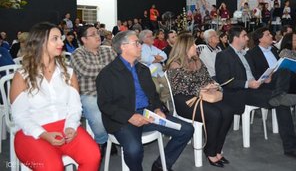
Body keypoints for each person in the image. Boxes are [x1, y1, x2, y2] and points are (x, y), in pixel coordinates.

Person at [215, 26, 296, 164]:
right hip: (240, 93)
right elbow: (224, 81)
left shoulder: (245, 54)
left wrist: (264, 78)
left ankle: (280, 97)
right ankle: (292, 148)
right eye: (245, 36)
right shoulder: (224, 55)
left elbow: (253, 74)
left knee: (284, 73)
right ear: (236, 38)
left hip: (256, 87)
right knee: (281, 102)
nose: (247, 38)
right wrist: (247, 84)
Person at [96, 30, 194, 171]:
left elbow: (153, 95)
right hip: (123, 118)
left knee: (186, 129)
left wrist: (158, 109)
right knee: (134, 150)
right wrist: (130, 116)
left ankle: (161, 165)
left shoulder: (143, 69)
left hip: (149, 114)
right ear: (123, 47)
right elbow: (104, 105)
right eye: (136, 43)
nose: (140, 46)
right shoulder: (107, 74)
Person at [10, 22, 100, 170]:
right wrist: (43, 134)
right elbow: (20, 116)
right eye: (55, 38)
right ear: (40, 42)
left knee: (93, 156)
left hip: (65, 126)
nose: (61, 42)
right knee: (52, 166)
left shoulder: (68, 73)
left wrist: (71, 126)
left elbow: (75, 106)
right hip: (32, 132)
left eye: (60, 38)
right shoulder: (22, 76)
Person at [166, 32, 234, 167]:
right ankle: (210, 151)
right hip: (184, 100)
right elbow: (180, 88)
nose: (196, 46)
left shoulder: (197, 60)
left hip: (202, 95)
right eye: (193, 44)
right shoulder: (175, 64)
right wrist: (202, 89)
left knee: (228, 111)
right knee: (215, 114)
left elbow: (206, 78)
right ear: (185, 47)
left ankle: (217, 149)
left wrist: (212, 85)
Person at [247, 27, 296, 143]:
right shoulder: (251, 54)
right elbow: (254, 75)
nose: (271, 36)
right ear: (260, 39)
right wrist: (268, 76)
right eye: (268, 35)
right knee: (286, 72)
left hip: (283, 82)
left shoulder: (273, 50)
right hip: (268, 84)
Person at [71, 25, 117, 155]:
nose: (98, 36)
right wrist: (109, 69)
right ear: (84, 39)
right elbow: (86, 70)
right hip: (89, 94)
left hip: (111, 93)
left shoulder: (108, 50)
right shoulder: (77, 54)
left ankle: (117, 137)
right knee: (98, 119)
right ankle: (103, 142)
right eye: (93, 34)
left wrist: (110, 69)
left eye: (98, 33)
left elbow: (119, 67)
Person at [139, 30, 170, 104]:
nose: (153, 37)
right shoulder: (142, 48)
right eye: (150, 36)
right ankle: (155, 104)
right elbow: (147, 59)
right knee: (157, 89)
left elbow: (164, 56)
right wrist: (157, 58)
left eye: (152, 35)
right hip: (150, 74)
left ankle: (162, 102)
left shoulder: (153, 48)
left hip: (160, 72)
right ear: (144, 39)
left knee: (169, 86)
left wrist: (155, 57)